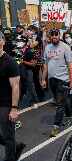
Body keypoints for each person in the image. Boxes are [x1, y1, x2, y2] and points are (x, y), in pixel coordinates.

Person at [41, 29, 72, 137]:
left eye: (56, 35)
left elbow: (70, 66)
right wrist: (43, 79)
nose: (54, 37)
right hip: (52, 80)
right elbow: (45, 65)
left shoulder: (66, 47)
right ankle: (71, 116)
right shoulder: (47, 48)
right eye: (53, 35)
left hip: (63, 79)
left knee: (60, 104)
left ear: (59, 35)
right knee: (63, 100)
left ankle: (56, 126)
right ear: (50, 36)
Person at [0, 32, 26, 161]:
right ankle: (17, 146)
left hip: (5, 104)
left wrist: (14, 108)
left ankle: (10, 157)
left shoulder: (9, 62)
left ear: (3, 42)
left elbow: (16, 86)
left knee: (8, 135)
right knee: (4, 137)